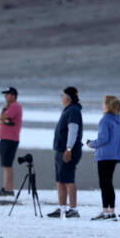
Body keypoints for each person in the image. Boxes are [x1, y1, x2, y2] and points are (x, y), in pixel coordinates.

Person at [87, 95, 120, 219]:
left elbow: (103, 139)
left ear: (107, 105)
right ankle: (111, 211)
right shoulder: (119, 120)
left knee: (104, 183)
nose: (102, 105)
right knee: (109, 183)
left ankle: (105, 212)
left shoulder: (105, 120)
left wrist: (91, 144)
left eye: (103, 103)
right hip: (115, 155)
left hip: (104, 155)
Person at [48, 86, 83, 218]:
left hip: (68, 150)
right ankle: (62, 207)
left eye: (62, 95)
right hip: (60, 149)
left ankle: (73, 209)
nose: (61, 98)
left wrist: (69, 149)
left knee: (68, 179)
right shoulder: (68, 110)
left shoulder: (73, 111)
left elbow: (73, 130)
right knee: (60, 179)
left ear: (68, 97)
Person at [0, 86, 22, 198]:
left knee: (7, 165)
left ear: (13, 96)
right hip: (5, 139)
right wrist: (2, 120)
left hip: (10, 139)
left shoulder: (15, 107)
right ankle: (7, 188)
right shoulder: (9, 107)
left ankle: (7, 189)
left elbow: (2, 117)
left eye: (7, 94)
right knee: (6, 165)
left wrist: (2, 118)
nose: (5, 96)